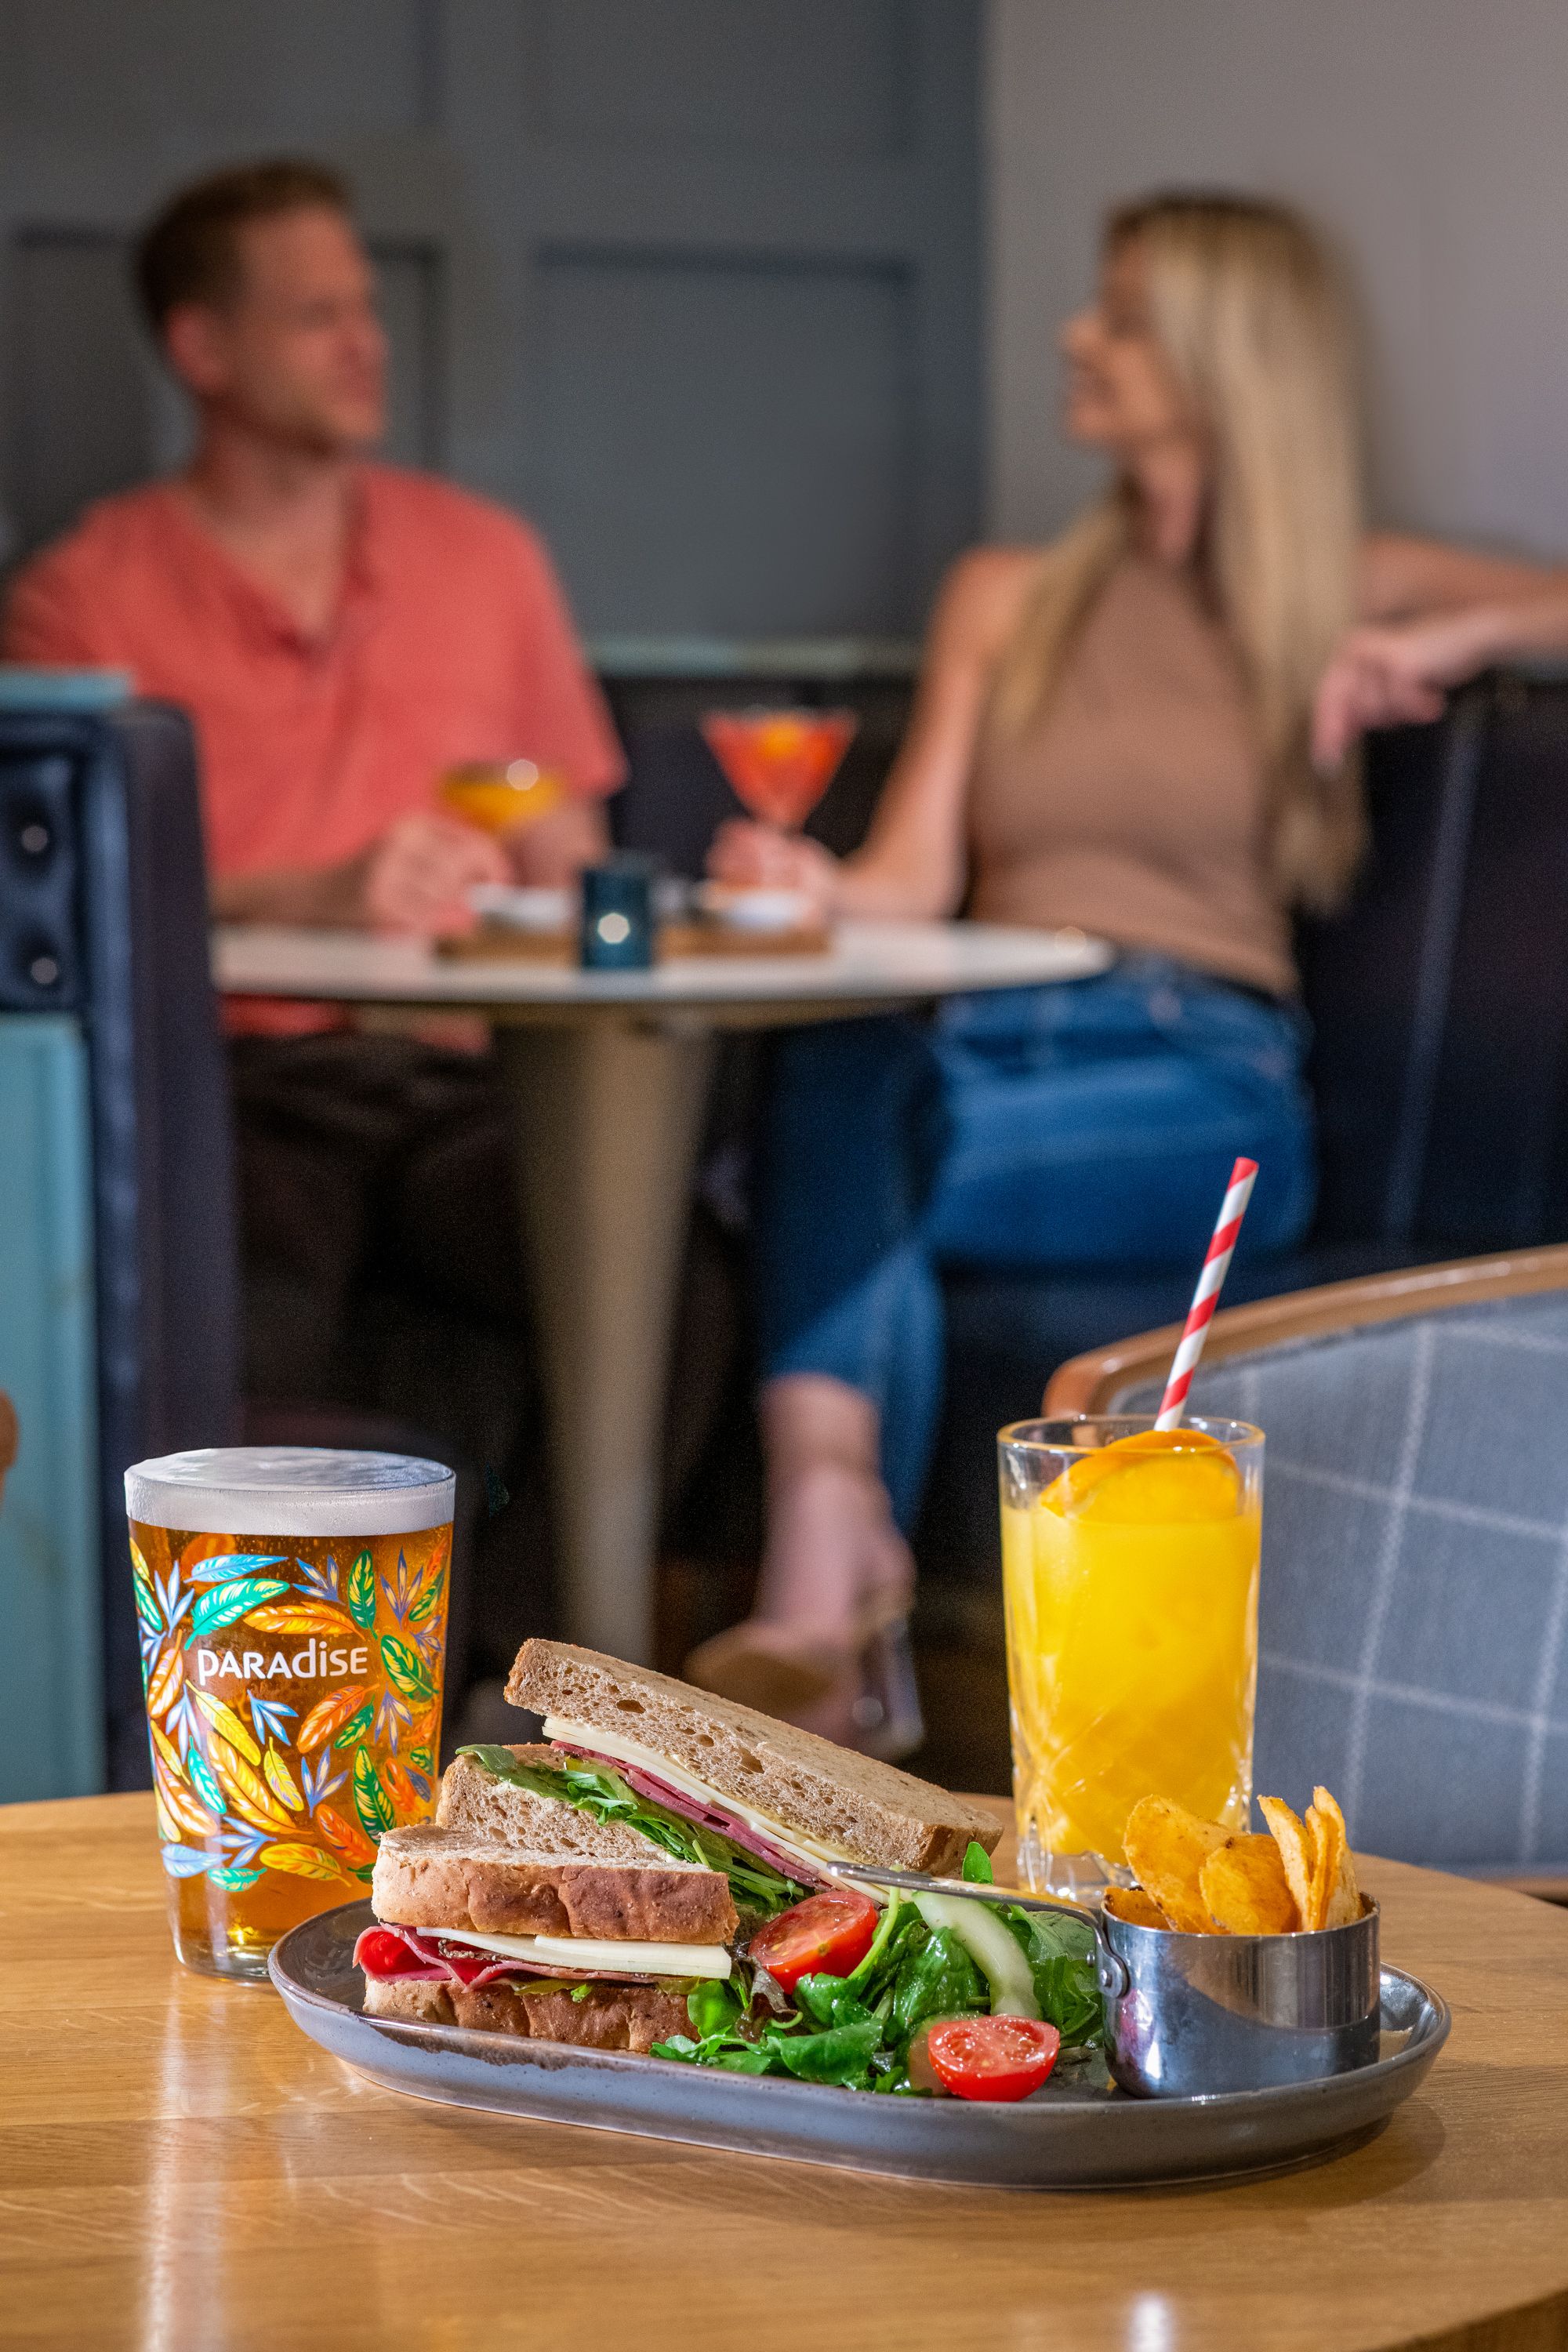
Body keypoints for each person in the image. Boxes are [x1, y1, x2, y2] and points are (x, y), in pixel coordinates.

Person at [686, 190, 1568, 1755]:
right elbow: (903, 882)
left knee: (845, 1145)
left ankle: (828, 1581)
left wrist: (1446, 641)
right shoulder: (1006, 596)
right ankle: (834, 1551)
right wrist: (803, 882)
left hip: (1193, 1079)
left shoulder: (1329, 586)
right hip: (972, 1044)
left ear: (1225, 357)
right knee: (833, 1054)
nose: (1073, 338)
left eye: (1119, 315)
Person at [2, 159, 625, 1705]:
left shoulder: (487, 563)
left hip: (463, 1086)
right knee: (255, 1345)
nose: (367, 345)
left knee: (657, 1289)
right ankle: (295, 1730)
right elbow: (79, 903)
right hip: (241, 1091)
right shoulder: (85, 598)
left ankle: (512, 1700)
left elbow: (577, 860)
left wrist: (517, 895)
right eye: (317, 315)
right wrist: (316, 890)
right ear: (204, 350)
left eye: (367, 310)